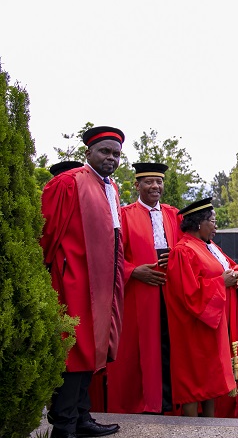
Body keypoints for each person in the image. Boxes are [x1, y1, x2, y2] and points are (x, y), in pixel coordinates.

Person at [40, 126, 126, 438]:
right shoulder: (68, 182)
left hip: (103, 284)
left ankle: (81, 417)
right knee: (74, 351)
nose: (111, 158)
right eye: (105, 151)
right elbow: (47, 233)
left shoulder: (111, 187)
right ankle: (64, 426)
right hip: (73, 281)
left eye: (116, 154)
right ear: (88, 152)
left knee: (93, 350)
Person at [107, 163, 181, 414]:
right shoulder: (124, 215)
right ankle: (142, 404)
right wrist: (133, 271)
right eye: (149, 182)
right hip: (138, 294)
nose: (155, 186)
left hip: (170, 292)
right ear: (137, 185)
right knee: (139, 350)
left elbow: (187, 249)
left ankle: (169, 403)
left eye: (159, 182)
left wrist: (175, 260)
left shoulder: (173, 215)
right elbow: (112, 253)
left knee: (170, 346)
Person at [164, 198, 238, 417]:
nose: (215, 227)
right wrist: (221, 283)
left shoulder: (207, 247)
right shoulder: (183, 251)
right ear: (199, 223)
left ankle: (209, 427)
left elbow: (225, 268)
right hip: (192, 327)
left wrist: (233, 277)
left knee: (209, 382)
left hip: (210, 324)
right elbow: (189, 293)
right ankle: (191, 429)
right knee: (193, 383)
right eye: (212, 221)